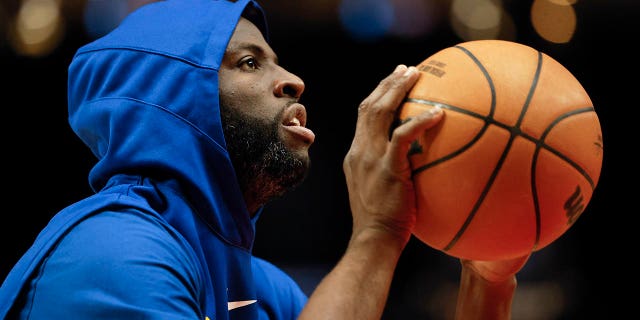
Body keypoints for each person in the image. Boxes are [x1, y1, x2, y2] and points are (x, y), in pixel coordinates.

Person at [0, 0, 529, 319]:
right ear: (173, 102)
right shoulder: (112, 256)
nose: (294, 79)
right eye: (249, 62)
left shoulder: (256, 287)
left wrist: (488, 277)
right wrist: (377, 233)